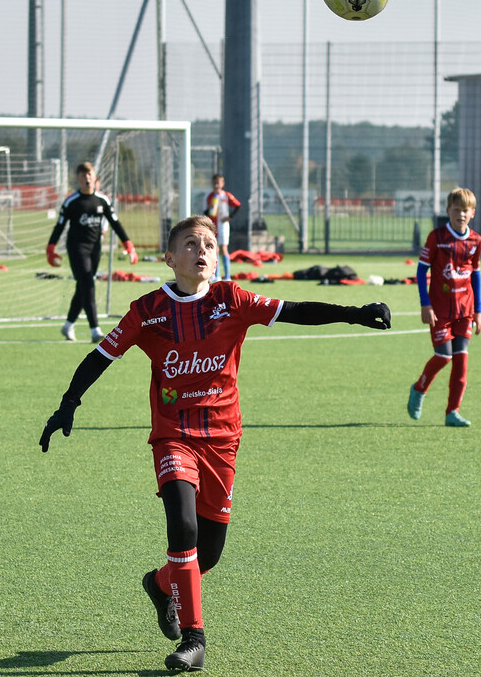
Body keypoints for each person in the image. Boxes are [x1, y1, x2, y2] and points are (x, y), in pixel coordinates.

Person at [39, 215, 391, 672]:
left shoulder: (232, 299)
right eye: (190, 243)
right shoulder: (148, 310)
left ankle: (161, 584)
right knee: (182, 528)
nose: (202, 250)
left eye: (209, 243)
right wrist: (69, 402)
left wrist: (353, 313)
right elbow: (100, 356)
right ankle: (195, 639)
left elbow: (295, 309)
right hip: (173, 438)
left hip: (223, 442)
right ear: (169, 258)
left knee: (208, 554)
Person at [408, 187, 481, 427]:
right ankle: (419, 388)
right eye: (456, 210)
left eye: (465, 210)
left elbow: (476, 276)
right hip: (440, 309)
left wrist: (479, 311)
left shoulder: (476, 240)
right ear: (448, 211)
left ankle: (453, 412)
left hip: (465, 310)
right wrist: (425, 304)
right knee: (443, 356)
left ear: (472, 213)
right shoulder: (437, 237)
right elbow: (421, 271)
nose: (461, 214)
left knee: (462, 360)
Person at [46, 161, 138, 343]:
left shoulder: (103, 200)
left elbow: (115, 223)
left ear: (95, 177)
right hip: (76, 248)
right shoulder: (72, 202)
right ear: (78, 178)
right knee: (88, 284)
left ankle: (68, 325)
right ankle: (95, 330)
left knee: (83, 287)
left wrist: (128, 244)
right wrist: (51, 248)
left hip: (95, 249)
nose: (87, 178)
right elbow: (60, 225)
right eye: (83, 175)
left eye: (90, 174)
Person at [202, 174, 241, 282]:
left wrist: (230, 217)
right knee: (215, 250)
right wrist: (209, 209)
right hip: (212, 226)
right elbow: (204, 213)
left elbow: (238, 205)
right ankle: (216, 275)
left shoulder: (226, 195)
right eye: (214, 183)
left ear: (222, 184)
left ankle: (228, 276)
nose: (216, 185)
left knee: (224, 249)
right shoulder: (208, 197)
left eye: (218, 183)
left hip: (223, 225)